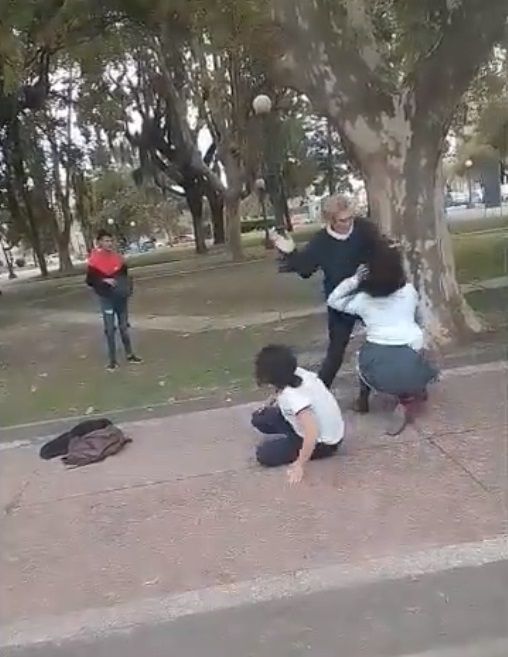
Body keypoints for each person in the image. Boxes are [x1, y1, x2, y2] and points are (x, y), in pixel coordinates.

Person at [270, 194, 380, 396]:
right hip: (339, 301)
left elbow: (380, 252)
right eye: (341, 220)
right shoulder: (321, 241)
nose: (347, 224)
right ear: (330, 219)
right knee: (336, 352)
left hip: (367, 297)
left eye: (350, 219)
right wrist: (291, 252)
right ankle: (319, 395)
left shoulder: (365, 230)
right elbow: (305, 270)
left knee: (378, 343)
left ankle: (366, 394)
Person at [327, 239, 438, 435]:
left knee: (361, 355)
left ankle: (363, 400)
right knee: (420, 349)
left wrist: (355, 279)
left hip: (378, 360)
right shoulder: (409, 292)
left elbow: (333, 300)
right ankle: (413, 390)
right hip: (412, 350)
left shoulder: (362, 301)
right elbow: (419, 317)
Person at [252, 345, 344, 484]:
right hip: (321, 428)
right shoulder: (297, 373)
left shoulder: (294, 397)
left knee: (264, 454)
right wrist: (270, 402)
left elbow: (312, 433)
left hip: (323, 442)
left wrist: (299, 464)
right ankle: (289, 435)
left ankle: (293, 442)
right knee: (259, 418)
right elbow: (280, 391)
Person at [86, 229, 142, 371]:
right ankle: (112, 361)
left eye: (110, 241)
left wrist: (124, 284)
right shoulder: (94, 260)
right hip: (106, 299)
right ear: (99, 242)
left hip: (120, 298)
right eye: (105, 241)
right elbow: (89, 280)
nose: (109, 243)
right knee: (110, 329)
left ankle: (130, 354)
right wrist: (105, 280)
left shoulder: (118, 258)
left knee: (124, 328)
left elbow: (124, 276)